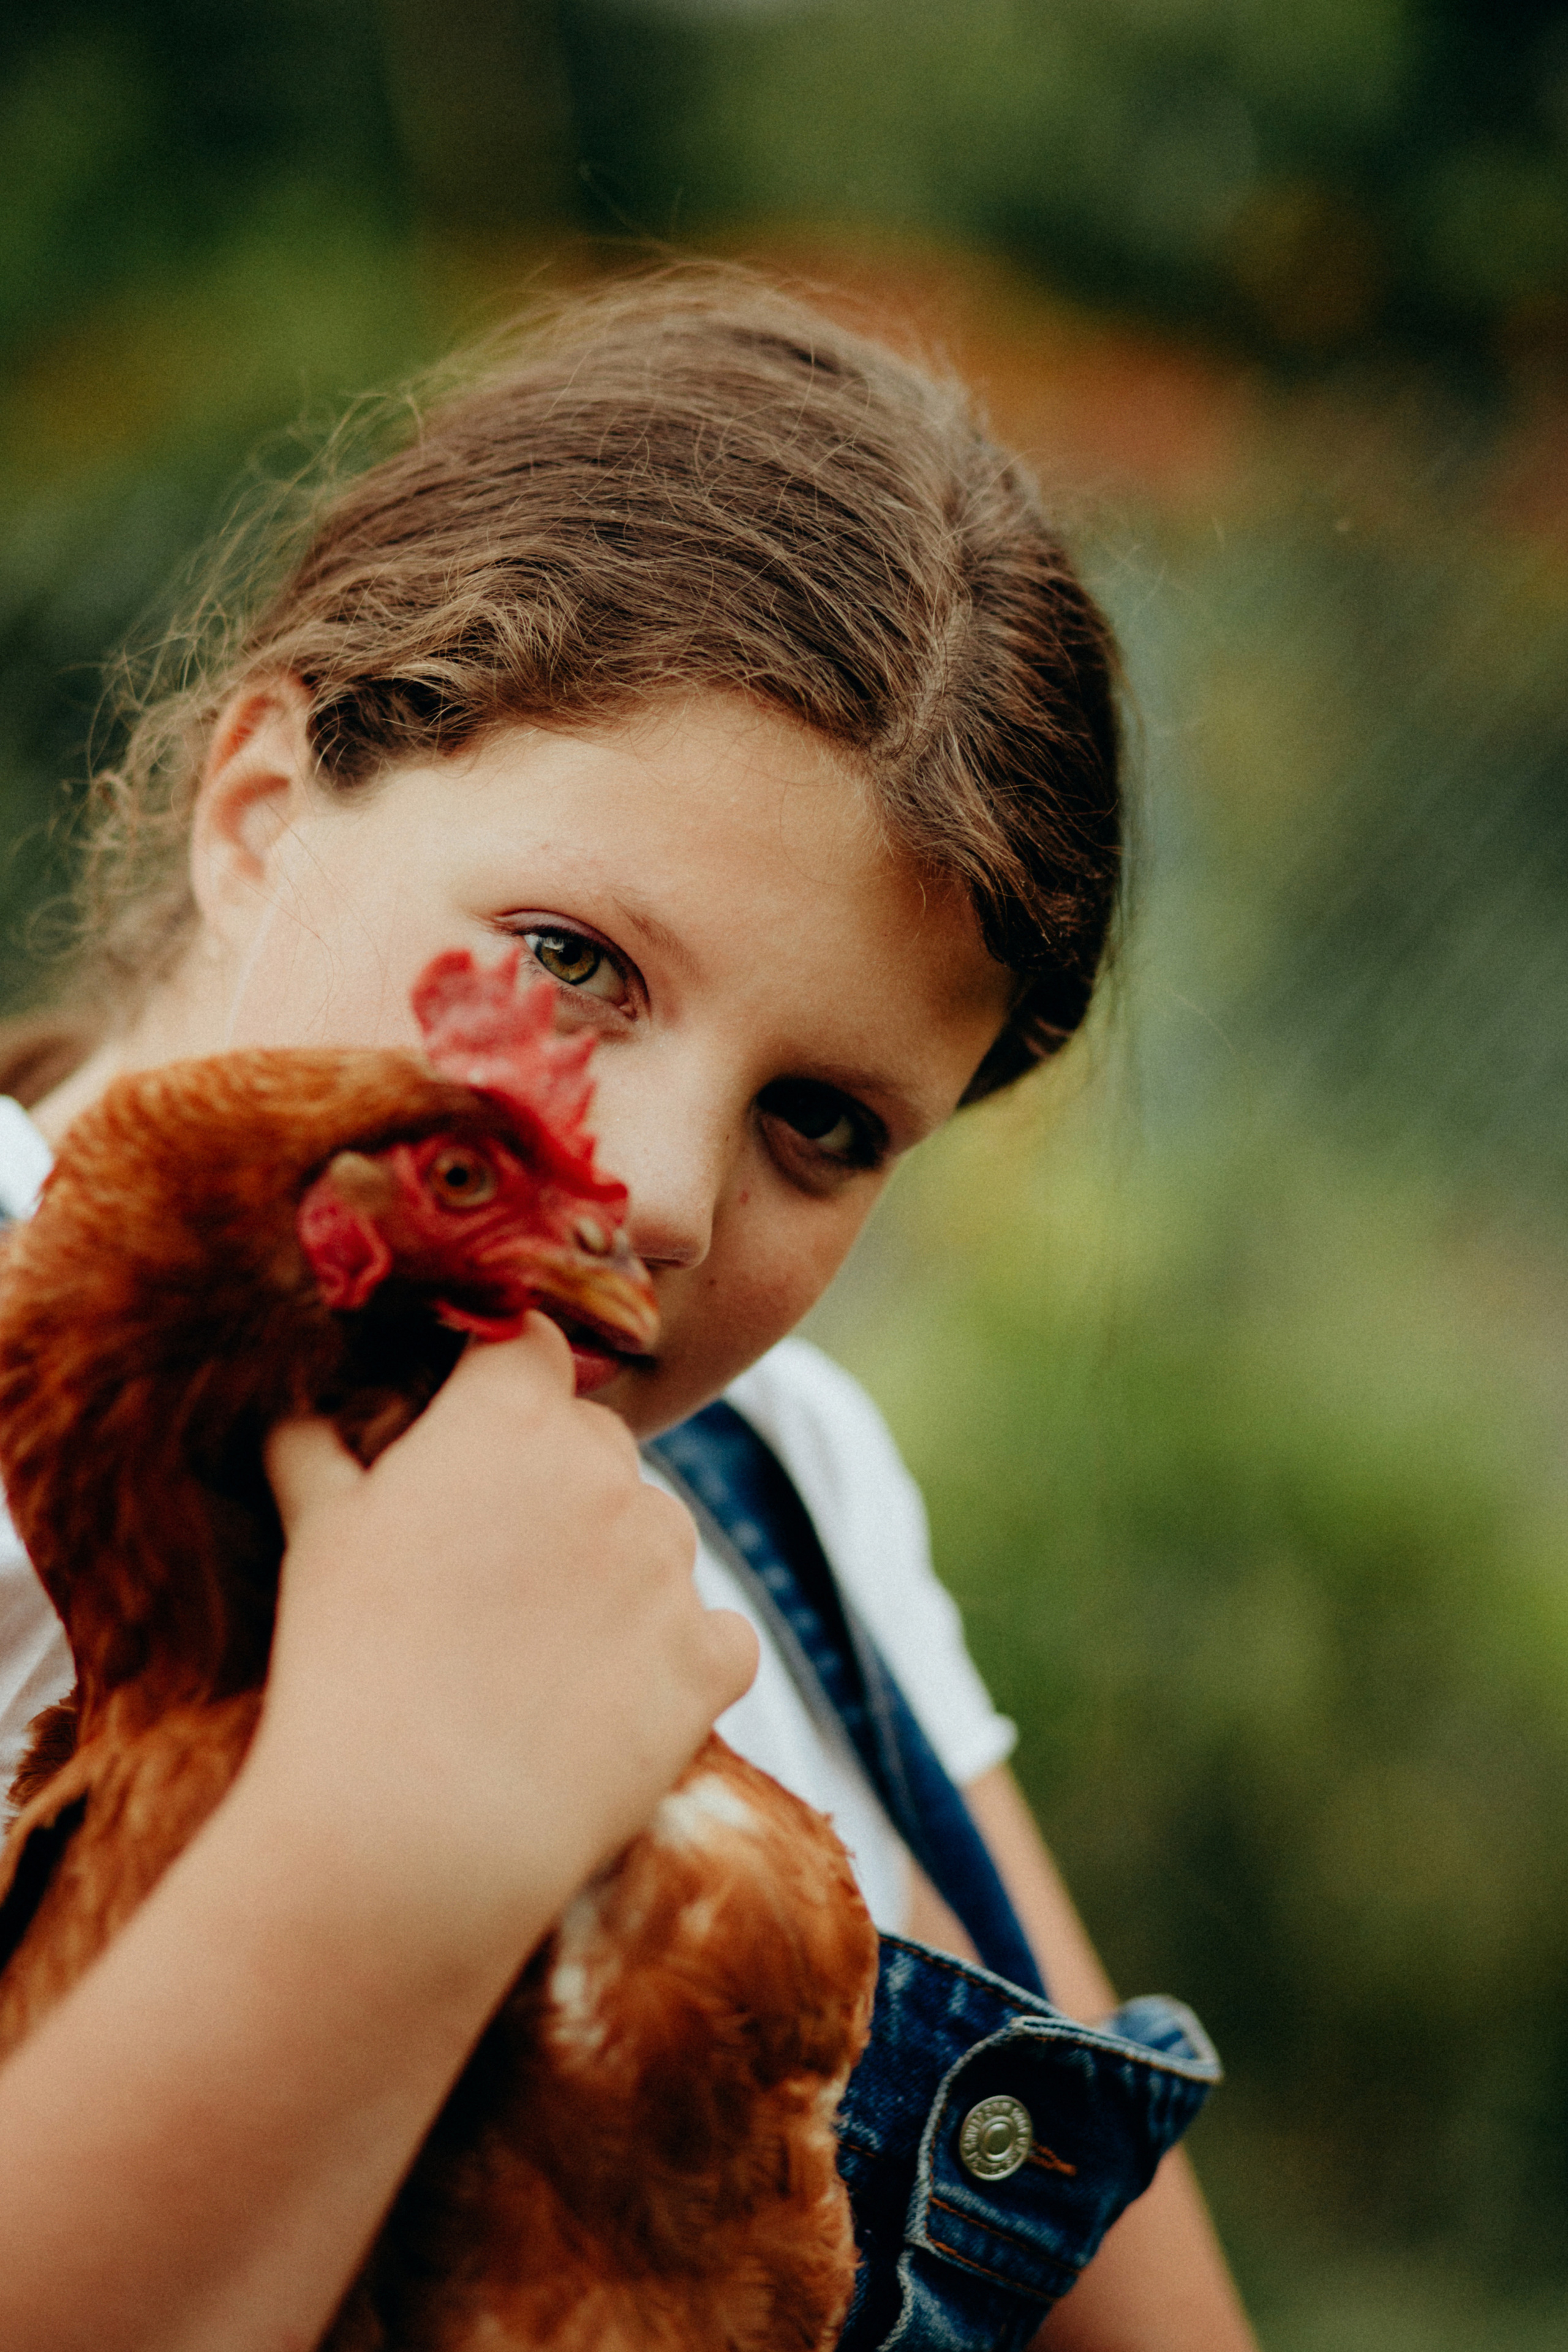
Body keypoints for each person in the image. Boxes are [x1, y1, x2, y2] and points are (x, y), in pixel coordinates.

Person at [0, 268, 1255, 2352]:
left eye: (824, 1125)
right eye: (575, 959)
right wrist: (404, 1829)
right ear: (260, 815)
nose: (664, 1197)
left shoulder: (770, 1489)